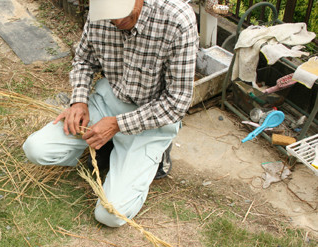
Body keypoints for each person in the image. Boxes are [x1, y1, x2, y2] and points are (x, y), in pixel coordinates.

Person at [23, 0, 198, 227]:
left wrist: (118, 125)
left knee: (111, 215)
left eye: (121, 12)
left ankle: (153, 154)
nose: (116, 21)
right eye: (109, 14)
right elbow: (84, 60)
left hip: (151, 120)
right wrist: (79, 101)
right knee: (36, 149)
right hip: (108, 102)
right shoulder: (99, 13)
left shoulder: (177, 19)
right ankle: (109, 146)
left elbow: (177, 102)